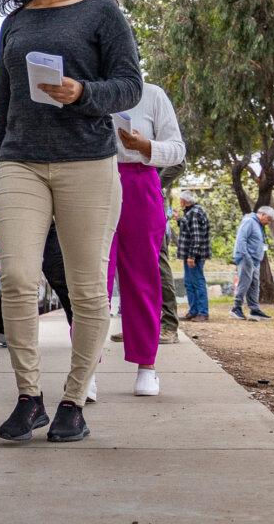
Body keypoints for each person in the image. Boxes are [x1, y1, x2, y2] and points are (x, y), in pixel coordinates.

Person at [0, 0, 142, 443]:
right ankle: (29, 398)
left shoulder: (101, 11)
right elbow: (1, 107)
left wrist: (82, 92)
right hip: (19, 161)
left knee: (87, 288)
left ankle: (74, 400)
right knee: (18, 279)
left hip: (87, 163)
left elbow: (129, 86)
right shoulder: (15, 23)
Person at [104, 83, 185, 397]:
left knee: (143, 277)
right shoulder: (84, 87)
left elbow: (177, 149)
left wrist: (146, 146)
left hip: (140, 180)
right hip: (94, 179)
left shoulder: (152, 95)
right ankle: (86, 371)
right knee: (93, 279)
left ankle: (146, 367)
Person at [0, 223, 72, 345]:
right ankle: (4, 330)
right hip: (25, 221)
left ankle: (80, 328)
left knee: (58, 274)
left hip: (54, 222)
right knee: (18, 276)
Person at [230, 207, 274, 320]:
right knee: (244, 283)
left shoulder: (258, 224)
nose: (269, 222)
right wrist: (247, 258)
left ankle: (254, 310)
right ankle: (236, 308)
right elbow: (241, 240)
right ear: (262, 214)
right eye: (268, 219)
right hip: (246, 258)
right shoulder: (249, 221)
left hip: (255, 260)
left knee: (254, 285)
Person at [157, 163, 186, 343]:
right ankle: (139, 325)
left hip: (150, 202)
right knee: (132, 268)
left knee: (159, 265)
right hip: (126, 202)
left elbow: (179, 163)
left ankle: (169, 325)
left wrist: (152, 184)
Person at [177, 190, 211, 322]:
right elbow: (188, 227)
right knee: (189, 283)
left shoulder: (195, 212)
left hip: (194, 255)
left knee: (197, 282)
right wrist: (179, 220)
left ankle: (203, 312)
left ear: (184, 201)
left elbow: (197, 237)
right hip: (188, 254)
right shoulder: (190, 212)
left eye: (180, 200)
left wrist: (192, 256)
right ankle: (193, 311)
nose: (180, 202)